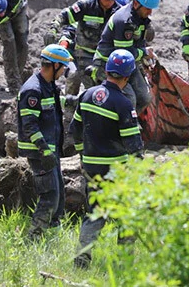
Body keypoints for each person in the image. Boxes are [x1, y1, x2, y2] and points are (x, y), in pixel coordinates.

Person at [70, 49, 144, 268]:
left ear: (108, 70)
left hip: (91, 166)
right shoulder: (123, 104)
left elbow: (75, 129)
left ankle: (81, 259)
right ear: (128, 77)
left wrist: (83, 154)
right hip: (116, 169)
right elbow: (133, 144)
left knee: (94, 212)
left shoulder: (87, 94)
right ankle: (125, 261)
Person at [17, 44, 74, 239]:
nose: (65, 72)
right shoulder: (32, 91)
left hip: (51, 150)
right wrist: (43, 150)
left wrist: (76, 100)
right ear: (55, 66)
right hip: (40, 152)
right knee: (49, 196)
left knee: (59, 196)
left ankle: (53, 237)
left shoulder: (49, 86)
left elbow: (56, 105)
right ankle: (34, 238)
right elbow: (29, 126)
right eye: (64, 67)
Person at [46, 0, 122, 96]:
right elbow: (64, 16)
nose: (109, 3)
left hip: (104, 57)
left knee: (102, 86)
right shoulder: (85, 6)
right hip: (82, 55)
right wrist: (53, 28)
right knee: (74, 76)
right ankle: (69, 108)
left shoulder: (118, 12)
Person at [92, 0, 159, 113]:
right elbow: (123, 53)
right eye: (147, 9)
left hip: (126, 64)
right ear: (135, 4)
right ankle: (121, 126)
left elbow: (138, 43)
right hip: (108, 64)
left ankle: (129, 121)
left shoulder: (140, 18)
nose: (150, 12)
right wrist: (144, 53)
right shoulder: (124, 21)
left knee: (145, 98)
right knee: (129, 99)